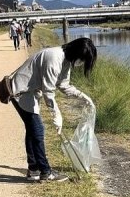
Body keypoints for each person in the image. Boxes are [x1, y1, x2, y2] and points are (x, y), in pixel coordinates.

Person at [10, 37, 97, 182]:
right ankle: (45, 172)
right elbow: (48, 90)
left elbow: (64, 85)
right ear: (76, 53)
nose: (81, 64)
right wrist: (57, 115)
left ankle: (33, 169)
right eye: (82, 60)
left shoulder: (66, 61)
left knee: (32, 131)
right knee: (37, 131)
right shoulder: (54, 58)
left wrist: (83, 97)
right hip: (21, 92)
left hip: (29, 93)